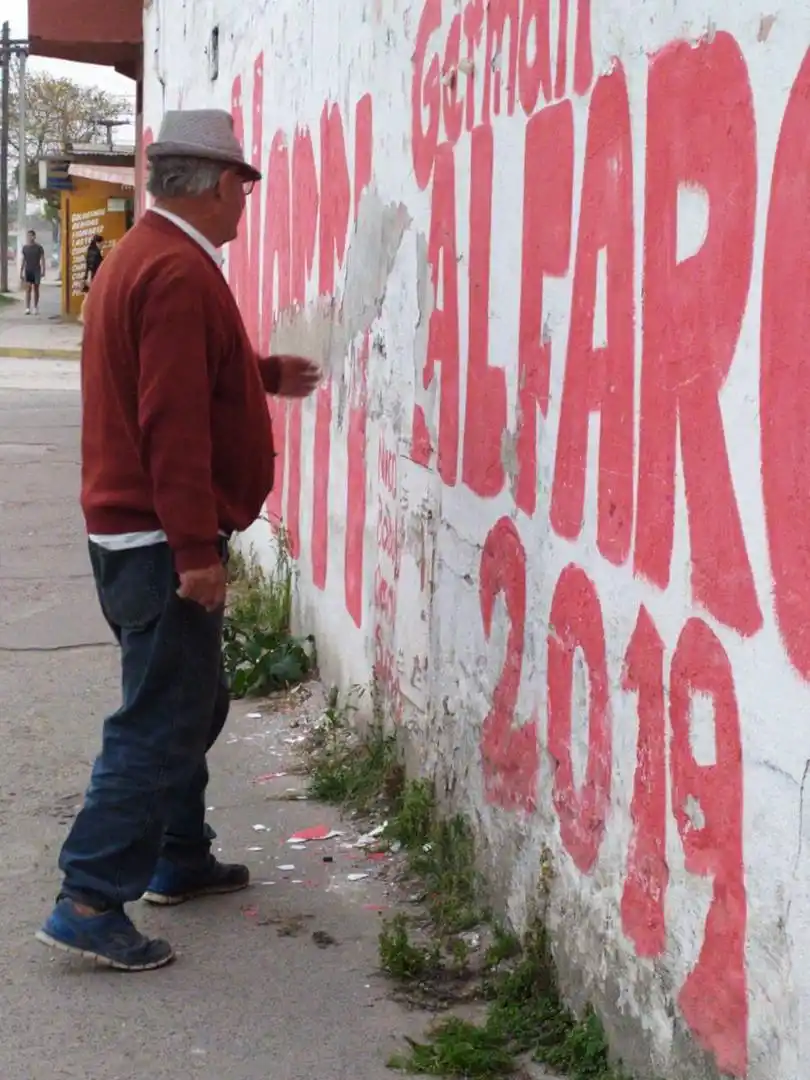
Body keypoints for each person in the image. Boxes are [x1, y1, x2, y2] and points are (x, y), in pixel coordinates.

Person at [36, 108, 321, 971]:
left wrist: (260, 375)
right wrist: (196, 551)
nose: (246, 204)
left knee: (190, 701)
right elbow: (171, 423)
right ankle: (90, 897)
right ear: (223, 185)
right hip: (158, 538)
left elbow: (176, 373)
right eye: (244, 188)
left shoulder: (146, 256)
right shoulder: (176, 272)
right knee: (162, 718)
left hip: (134, 531)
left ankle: (179, 853)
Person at [20, 229, 45, 315]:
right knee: (28, 289)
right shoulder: (25, 248)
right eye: (28, 236)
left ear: (34, 237)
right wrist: (21, 271)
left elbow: (43, 259)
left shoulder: (39, 247)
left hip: (36, 270)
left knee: (36, 289)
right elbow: (23, 260)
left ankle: (35, 307)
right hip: (28, 270)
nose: (29, 237)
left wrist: (43, 270)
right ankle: (27, 308)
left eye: (31, 235)